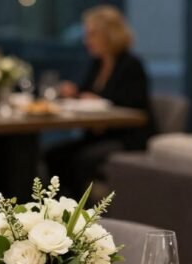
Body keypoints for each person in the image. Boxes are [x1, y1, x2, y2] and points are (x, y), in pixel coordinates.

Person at [46, 5, 155, 193]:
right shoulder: (97, 63)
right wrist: (74, 92)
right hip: (98, 135)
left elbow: (133, 107)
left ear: (109, 35)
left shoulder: (131, 65)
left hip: (127, 138)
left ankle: (81, 207)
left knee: (81, 160)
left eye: (92, 34)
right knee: (52, 155)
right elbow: (87, 93)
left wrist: (97, 100)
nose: (87, 40)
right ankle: (61, 205)